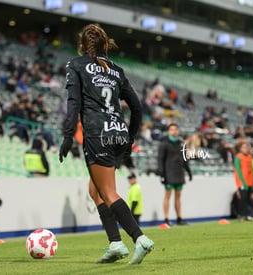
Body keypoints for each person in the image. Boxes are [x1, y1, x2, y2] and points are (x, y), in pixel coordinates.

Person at [58, 23, 154, 265]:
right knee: (96, 190)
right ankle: (115, 243)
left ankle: (139, 238)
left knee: (108, 192)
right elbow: (137, 108)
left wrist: (68, 135)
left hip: (97, 133)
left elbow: (73, 104)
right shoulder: (116, 70)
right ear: (105, 45)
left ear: (83, 45)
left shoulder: (76, 64)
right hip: (118, 134)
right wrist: (129, 137)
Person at [158, 123, 192, 226]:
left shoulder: (182, 143)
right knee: (167, 195)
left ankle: (179, 218)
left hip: (179, 173)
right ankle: (166, 218)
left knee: (178, 196)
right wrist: (162, 174)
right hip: (169, 173)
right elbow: (160, 159)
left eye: (175, 129)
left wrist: (189, 171)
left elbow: (185, 159)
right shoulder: (164, 143)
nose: (174, 131)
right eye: (172, 129)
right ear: (168, 131)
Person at [233, 142, 253, 221]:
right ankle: (241, 214)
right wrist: (243, 182)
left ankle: (247, 214)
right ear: (241, 149)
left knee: (248, 199)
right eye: (244, 147)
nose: (245, 149)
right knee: (243, 198)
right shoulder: (238, 157)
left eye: (247, 147)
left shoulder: (250, 157)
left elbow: (251, 172)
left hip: (250, 182)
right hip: (242, 182)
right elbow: (238, 171)